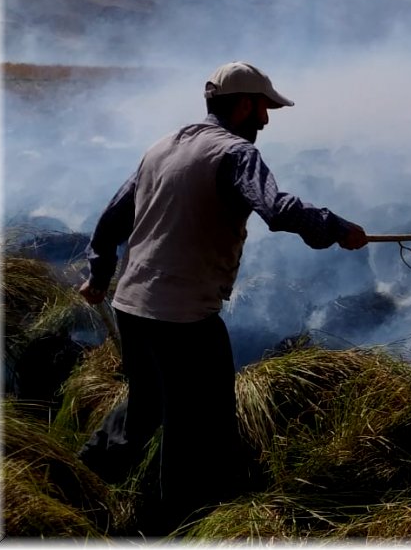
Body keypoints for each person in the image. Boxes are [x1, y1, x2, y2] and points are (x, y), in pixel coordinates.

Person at [77, 61, 368, 534]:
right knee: (197, 427)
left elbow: (112, 219)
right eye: (264, 109)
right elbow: (277, 208)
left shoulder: (162, 147)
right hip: (182, 317)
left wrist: (99, 276)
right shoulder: (236, 153)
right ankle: (177, 526)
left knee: (147, 405)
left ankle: (82, 480)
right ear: (245, 105)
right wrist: (335, 228)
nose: (267, 121)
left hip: (131, 306)